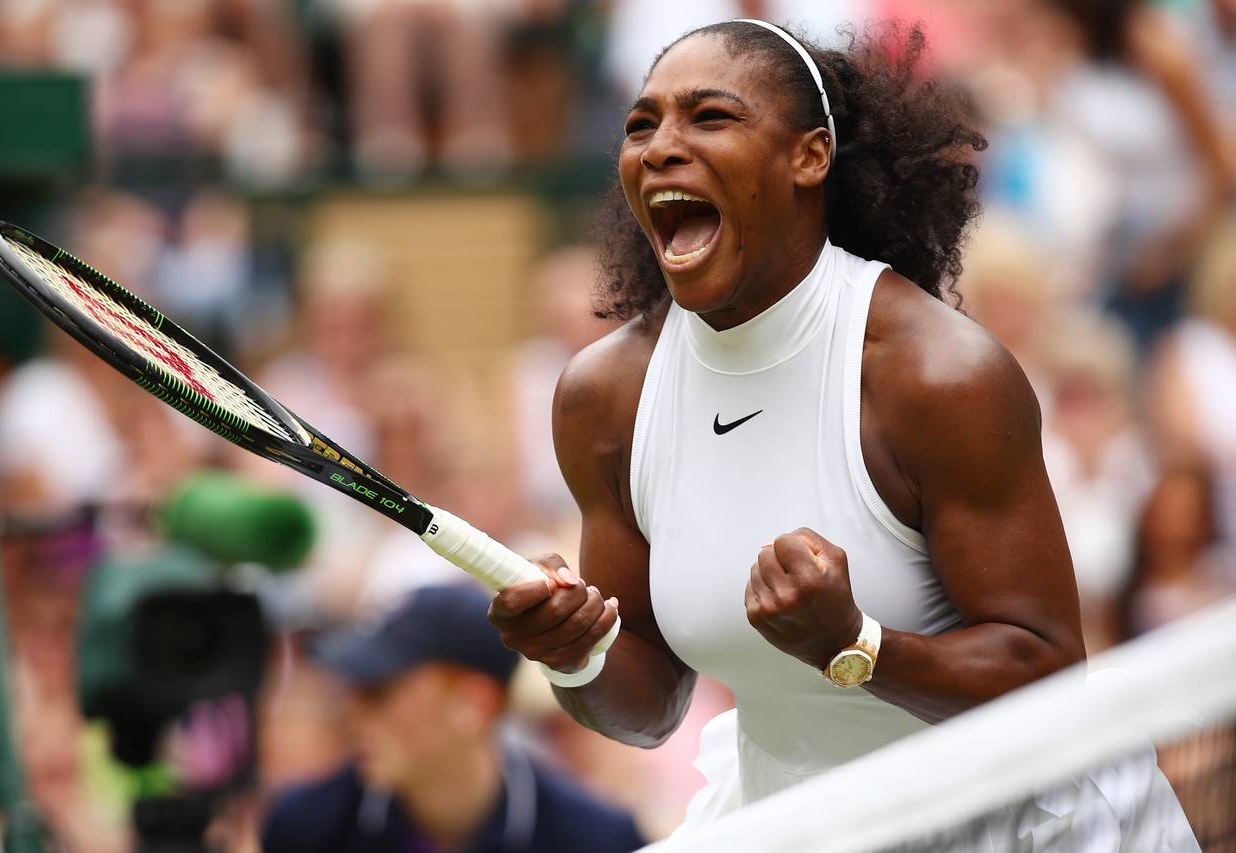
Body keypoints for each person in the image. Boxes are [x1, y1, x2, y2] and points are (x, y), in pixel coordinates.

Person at [485, 18, 1198, 844]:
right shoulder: (604, 397)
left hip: (1020, 820)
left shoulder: (938, 375)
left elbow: (1044, 672)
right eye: (642, 125)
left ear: (810, 156)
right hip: (800, 819)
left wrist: (856, 644)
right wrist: (575, 654)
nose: (660, 148)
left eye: (709, 116)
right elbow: (648, 703)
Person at [260, 584, 646, 852]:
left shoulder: (596, 840)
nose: (352, 711)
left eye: (378, 688)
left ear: (474, 703)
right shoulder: (305, 827)